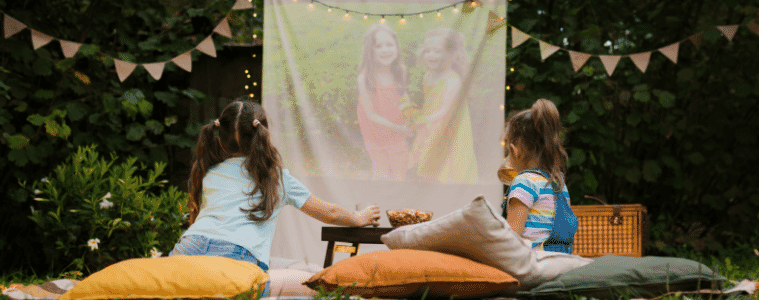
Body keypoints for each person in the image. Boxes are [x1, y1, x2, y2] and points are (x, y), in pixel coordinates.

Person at [169, 100, 381, 297]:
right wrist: (358, 218)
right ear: (263, 134)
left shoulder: (210, 172)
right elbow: (330, 213)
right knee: (320, 284)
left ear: (220, 138)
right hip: (234, 261)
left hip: (186, 250)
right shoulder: (275, 177)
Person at [501, 98, 578, 254]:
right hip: (559, 261)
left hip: (533, 264)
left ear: (514, 150)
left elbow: (510, 238)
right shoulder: (558, 182)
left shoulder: (524, 182)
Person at [407, 28, 478, 184]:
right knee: (429, 159)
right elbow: (430, 102)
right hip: (431, 121)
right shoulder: (428, 75)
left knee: (447, 161)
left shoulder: (453, 80)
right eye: (428, 51)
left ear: (453, 56)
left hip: (447, 125)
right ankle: (430, 187)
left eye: (437, 51)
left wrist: (425, 120)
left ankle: (448, 188)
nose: (431, 55)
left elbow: (446, 110)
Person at [356, 23, 412, 181]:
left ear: (397, 47)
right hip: (375, 133)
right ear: (370, 51)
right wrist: (399, 129)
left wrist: (410, 117)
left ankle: (399, 205)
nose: (385, 50)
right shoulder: (365, 78)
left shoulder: (400, 71)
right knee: (381, 172)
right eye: (378, 46)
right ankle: (378, 203)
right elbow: (371, 115)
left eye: (389, 44)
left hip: (398, 129)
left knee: (400, 170)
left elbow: (403, 96)